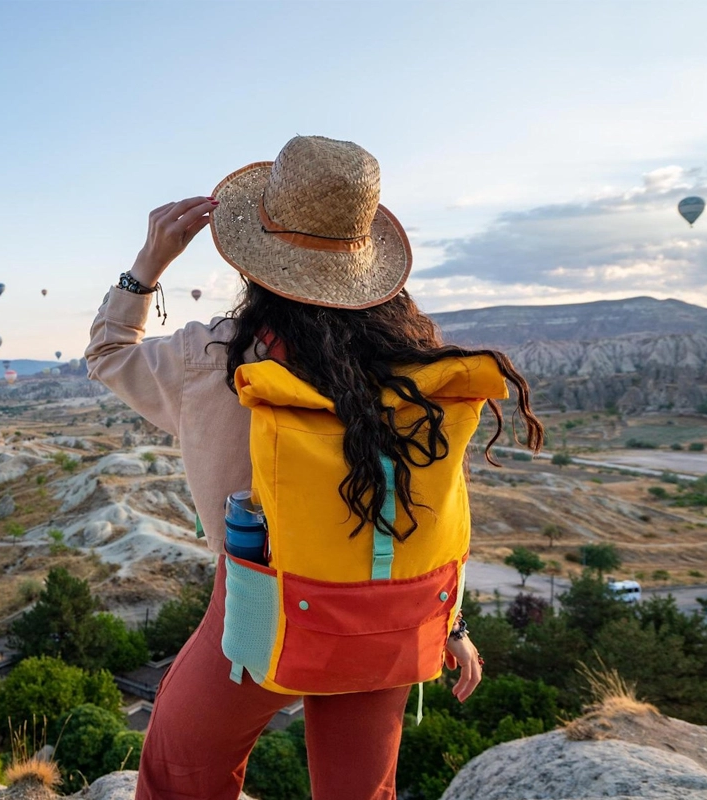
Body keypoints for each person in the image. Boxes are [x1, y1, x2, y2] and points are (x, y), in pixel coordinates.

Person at [85, 135, 544, 800]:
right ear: (369, 262)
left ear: (254, 258)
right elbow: (431, 507)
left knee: (178, 777)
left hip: (258, 613)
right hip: (389, 620)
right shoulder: (419, 364)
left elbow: (107, 353)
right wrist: (453, 623)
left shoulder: (215, 356)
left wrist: (146, 266)